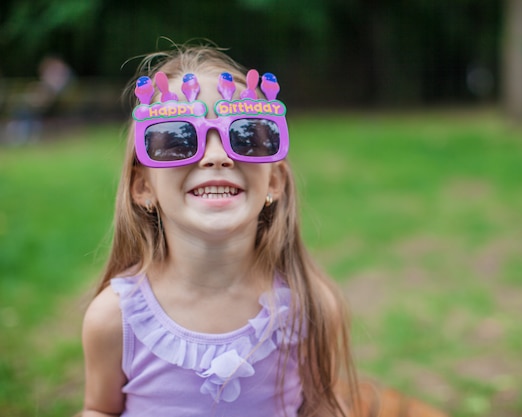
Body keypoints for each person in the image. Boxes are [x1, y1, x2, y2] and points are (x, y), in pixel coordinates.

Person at [81, 44, 360, 417]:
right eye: (178, 138)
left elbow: (321, 407)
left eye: (245, 135)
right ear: (142, 187)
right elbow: (100, 409)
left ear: (274, 181)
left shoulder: (309, 307)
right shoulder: (114, 321)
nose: (216, 156)